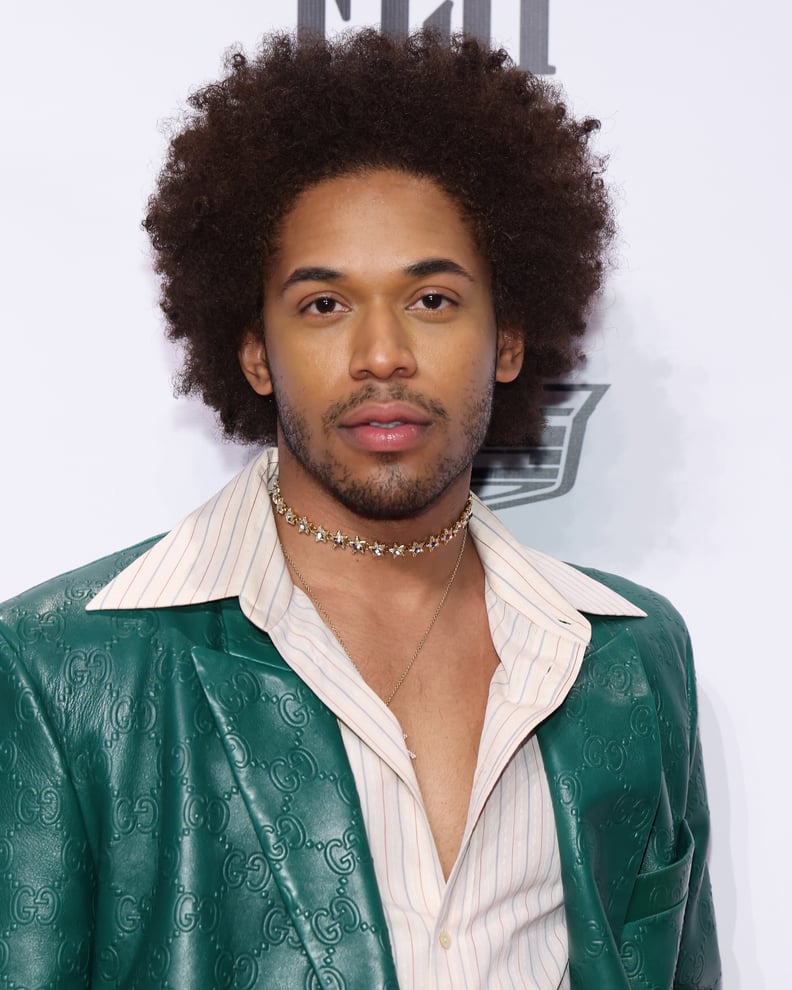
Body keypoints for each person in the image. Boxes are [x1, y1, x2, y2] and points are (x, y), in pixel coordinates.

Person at [0, 30, 720, 990]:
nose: (382, 354)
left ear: (507, 339)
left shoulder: (632, 657)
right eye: (324, 306)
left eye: (430, 298)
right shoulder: (60, 669)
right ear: (254, 352)